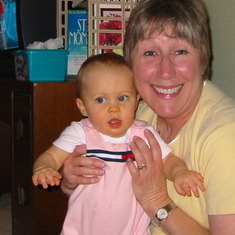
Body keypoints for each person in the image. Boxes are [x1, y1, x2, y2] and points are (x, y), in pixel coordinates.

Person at [60, 0, 235, 234]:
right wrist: (72, 180)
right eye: (150, 52)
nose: (165, 71)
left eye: (180, 51)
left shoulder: (226, 136)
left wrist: (157, 202)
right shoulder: (137, 114)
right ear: (130, 63)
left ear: (202, 59)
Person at [32, 53, 205, 235]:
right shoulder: (81, 132)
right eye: (101, 100)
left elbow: (168, 160)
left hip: (132, 229)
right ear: (83, 107)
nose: (113, 108)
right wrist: (43, 168)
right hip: (83, 228)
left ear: (136, 100)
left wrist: (180, 173)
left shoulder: (143, 134)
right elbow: (51, 156)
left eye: (122, 98)